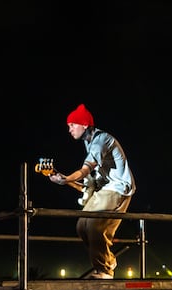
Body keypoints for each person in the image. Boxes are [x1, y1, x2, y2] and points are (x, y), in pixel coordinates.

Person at [49, 104, 136, 279]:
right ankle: (108, 260)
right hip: (104, 188)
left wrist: (67, 179)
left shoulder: (101, 140)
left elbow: (85, 170)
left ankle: (105, 269)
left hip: (118, 189)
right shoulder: (89, 142)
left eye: (72, 125)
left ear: (84, 125)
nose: (70, 129)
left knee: (95, 228)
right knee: (82, 227)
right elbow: (90, 178)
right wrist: (67, 181)